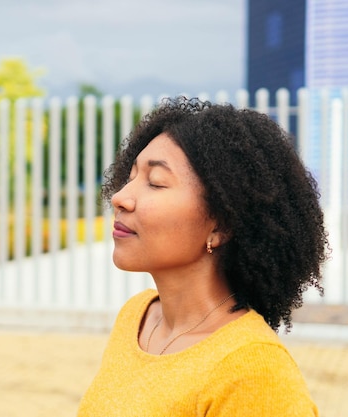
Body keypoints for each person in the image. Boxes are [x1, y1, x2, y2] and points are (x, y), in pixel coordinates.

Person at [77, 97, 329, 416]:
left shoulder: (252, 368)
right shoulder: (136, 317)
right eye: (130, 178)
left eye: (155, 183)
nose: (120, 198)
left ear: (221, 225)